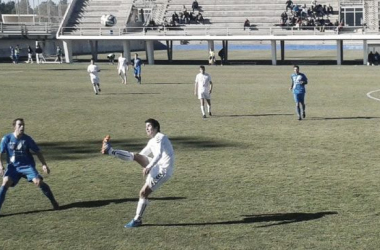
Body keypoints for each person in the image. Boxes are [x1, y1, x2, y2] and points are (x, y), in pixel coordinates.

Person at [101, 118, 175, 228]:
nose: (147, 128)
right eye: (146, 126)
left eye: (149, 126)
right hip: (156, 166)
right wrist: (136, 158)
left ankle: (137, 219)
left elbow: (159, 155)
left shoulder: (160, 137)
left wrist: (148, 166)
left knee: (143, 193)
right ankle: (111, 151)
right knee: (135, 156)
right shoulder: (152, 141)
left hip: (163, 171)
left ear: (156, 128)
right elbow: (140, 155)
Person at [0, 118, 59, 214]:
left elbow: (38, 152)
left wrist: (44, 164)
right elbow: (0, 153)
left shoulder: (27, 139)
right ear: (14, 126)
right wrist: (1, 166)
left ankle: (53, 200)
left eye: (23, 125)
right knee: (5, 183)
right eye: (20, 125)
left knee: (39, 182)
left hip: (27, 166)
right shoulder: (6, 139)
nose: (22, 127)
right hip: (13, 168)